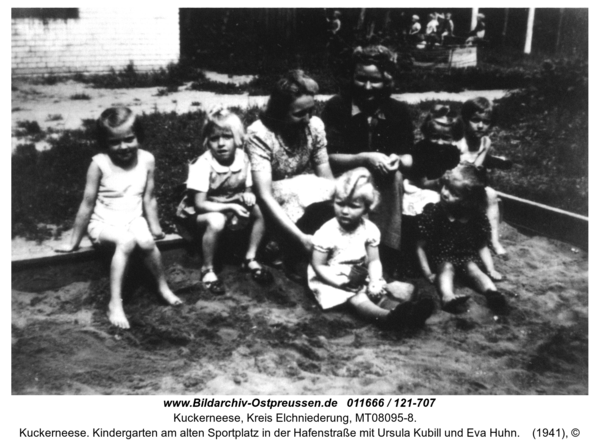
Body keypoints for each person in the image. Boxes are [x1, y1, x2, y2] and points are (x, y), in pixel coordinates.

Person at [56, 107, 182, 329]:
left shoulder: (147, 160)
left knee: (146, 242)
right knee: (126, 241)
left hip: (133, 219)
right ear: (105, 143)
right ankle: (115, 302)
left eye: (129, 139)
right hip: (104, 224)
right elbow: (87, 204)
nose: (123, 146)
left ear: (138, 137)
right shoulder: (99, 164)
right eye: (115, 142)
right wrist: (73, 242)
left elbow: (149, 198)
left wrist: (155, 227)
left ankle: (162, 287)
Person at [321, 45, 414, 272]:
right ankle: (359, 253)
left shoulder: (398, 110)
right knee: (364, 177)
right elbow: (328, 158)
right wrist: (364, 158)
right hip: (346, 173)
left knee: (396, 176)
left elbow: (410, 157)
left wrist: (397, 160)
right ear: (351, 77)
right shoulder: (337, 107)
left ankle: (387, 250)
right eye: (361, 79)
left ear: (387, 81)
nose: (368, 87)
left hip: (385, 176)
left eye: (376, 80)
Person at [309, 168, 434, 330]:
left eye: (353, 206)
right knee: (358, 298)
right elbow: (318, 265)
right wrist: (338, 281)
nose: (345, 211)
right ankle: (386, 317)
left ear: (366, 208)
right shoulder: (327, 231)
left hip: (359, 272)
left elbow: (374, 260)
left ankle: (405, 313)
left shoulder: (369, 229)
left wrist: (375, 279)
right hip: (331, 276)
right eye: (340, 204)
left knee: (377, 291)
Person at [245, 70, 335, 274]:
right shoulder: (261, 134)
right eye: (299, 113)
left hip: (300, 193)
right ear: (279, 111)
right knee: (303, 187)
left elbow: (326, 178)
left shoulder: (314, 127)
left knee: (328, 189)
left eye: (311, 110)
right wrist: (300, 238)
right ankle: (285, 246)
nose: (307, 118)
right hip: (266, 199)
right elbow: (264, 195)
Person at [176, 108, 273, 294]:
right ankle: (208, 269)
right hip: (199, 213)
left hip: (230, 204)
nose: (221, 144)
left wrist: (248, 193)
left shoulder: (243, 159)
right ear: (207, 141)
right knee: (217, 220)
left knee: (260, 210)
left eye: (227, 137)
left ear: (237, 138)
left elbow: (247, 186)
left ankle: (250, 258)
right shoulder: (203, 165)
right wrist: (231, 206)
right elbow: (200, 204)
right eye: (214, 138)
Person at [416, 163, 507, 314]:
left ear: (469, 200)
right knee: (446, 268)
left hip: (466, 256)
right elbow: (420, 246)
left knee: (474, 269)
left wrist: (491, 269)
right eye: (445, 187)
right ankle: (448, 297)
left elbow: (482, 246)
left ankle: (493, 294)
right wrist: (427, 272)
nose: (445, 193)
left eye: (454, 193)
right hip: (441, 256)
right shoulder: (434, 213)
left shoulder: (476, 218)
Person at [457, 97, 507, 256]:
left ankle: (494, 240)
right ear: (465, 120)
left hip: (474, 184)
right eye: (475, 120)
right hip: (456, 184)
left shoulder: (485, 141)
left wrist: (487, 154)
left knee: (491, 195)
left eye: (486, 122)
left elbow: (478, 169)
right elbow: (457, 170)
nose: (480, 125)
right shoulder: (459, 142)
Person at [403, 103, 463, 217]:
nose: (440, 142)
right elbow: (422, 182)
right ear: (426, 133)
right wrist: (441, 180)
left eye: (446, 138)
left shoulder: (452, 152)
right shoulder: (420, 150)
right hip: (419, 188)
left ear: (454, 136)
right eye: (434, 136)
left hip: (442, 188)